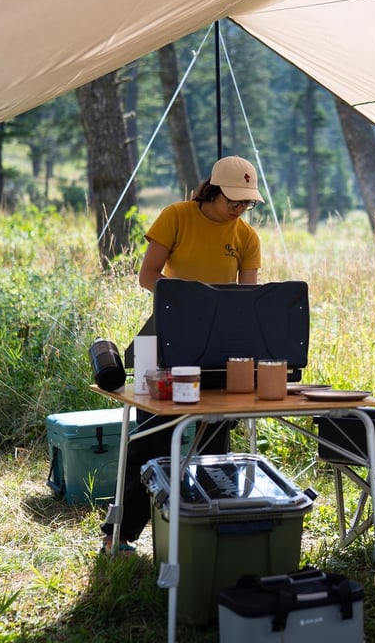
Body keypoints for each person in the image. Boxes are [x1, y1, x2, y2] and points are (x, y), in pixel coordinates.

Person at [100, 155, 264, 554]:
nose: (239, 209)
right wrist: (188, 299)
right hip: (164, 340)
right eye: (233, 200)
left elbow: (246, 299)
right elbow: (148, 275)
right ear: (214, 189)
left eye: (247, 203)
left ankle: (207, 532)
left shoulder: (247, 238)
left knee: (215, 440)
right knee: (151, 438)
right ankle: (118, 535)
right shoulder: (177, 216)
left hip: (218, 349)